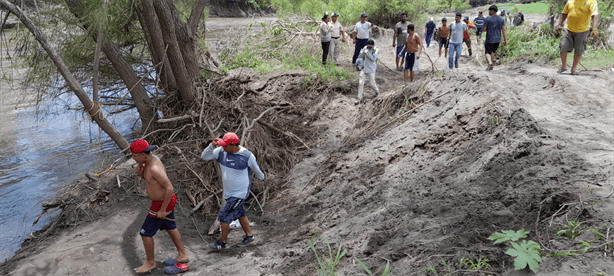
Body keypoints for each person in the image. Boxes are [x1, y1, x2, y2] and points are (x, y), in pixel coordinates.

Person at [130, 139, 189, 274]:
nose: (133, 158)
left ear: (143, 155)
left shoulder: (153, 168)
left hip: (162, 203)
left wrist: (163, 209)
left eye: (134, 155)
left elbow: (169, 188)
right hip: (164, 202)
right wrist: (142, 174)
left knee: (145, 233)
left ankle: (150, 263)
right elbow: (152, 182)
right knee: (170, 226)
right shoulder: (150, 160)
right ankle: (182, 255)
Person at [201, 132, 265, 250]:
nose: (223, 147)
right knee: (241, 213)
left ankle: (222, 243)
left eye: (225, 145)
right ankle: (249, 237)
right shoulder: (221, 152)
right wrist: (211, 146)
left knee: (224, 216)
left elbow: (257, 170)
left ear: (233, 144)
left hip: (239, 193)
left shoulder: (246, 155)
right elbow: (204, 157)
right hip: (229, 193)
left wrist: (263, 178)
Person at [555, 0, 598, 75]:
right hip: (568, 29)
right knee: (563, 46)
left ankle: (573, 69)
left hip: (583, 31)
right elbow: (564, 13)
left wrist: (594, 29)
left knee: (579, 50)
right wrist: (559, 24)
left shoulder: (592, 1)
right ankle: (564, 66)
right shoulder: (570, 1)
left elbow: (594, 16)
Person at [483, 5, 508, 71]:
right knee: (493, 51)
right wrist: (505, 40)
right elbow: (504, 30)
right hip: (497, 39)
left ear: (491, 11)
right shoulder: (501, 19)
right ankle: (490, 66)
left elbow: (484, 29)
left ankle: (490, 63)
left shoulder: (487, 19)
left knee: (487, 52)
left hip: (489, 39)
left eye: (489, 11)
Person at [356, 39, 379, 103]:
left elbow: (373, 59)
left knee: (372, 84)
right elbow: (360, 56)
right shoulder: (365, 48)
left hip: (371, 69)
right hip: (364, 68)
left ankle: (377, 92)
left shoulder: (376, 50)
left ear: (373, 45)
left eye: (370, 46)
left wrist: (367, 52)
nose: (369, 47)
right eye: (368, 46)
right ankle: (359, 99)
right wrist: (363, 52)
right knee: (361, 84)